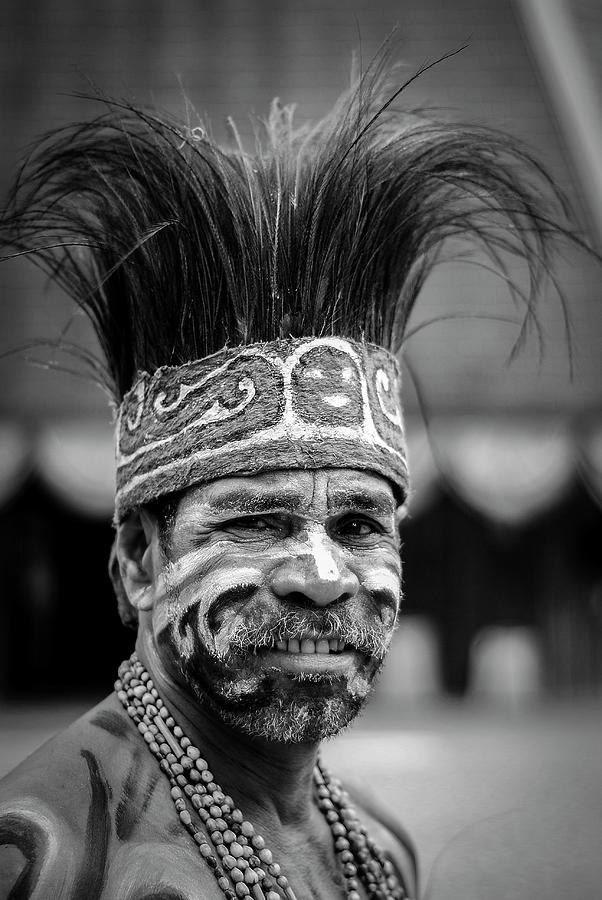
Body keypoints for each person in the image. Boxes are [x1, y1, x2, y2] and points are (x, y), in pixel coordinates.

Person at [0, 48, 576, 899]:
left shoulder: (379, 850)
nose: (322, 575)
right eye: (256, 520)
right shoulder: (45, 855)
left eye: (358, 525)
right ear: (137, 560)